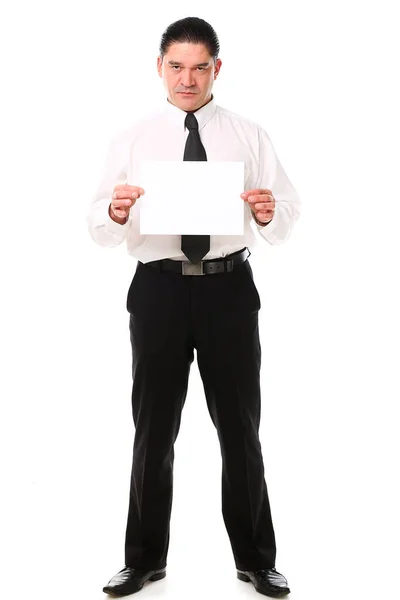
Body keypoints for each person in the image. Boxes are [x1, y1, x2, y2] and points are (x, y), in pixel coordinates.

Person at [86, 16, 300, 598]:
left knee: (241, 429)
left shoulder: (248, 134)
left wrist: (265, 214)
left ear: (216, 69)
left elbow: (286, 214)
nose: (187, 78)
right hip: (157, 290)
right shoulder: (131, 137)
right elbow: (97, 224)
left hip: (229, 290)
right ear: (160, 67)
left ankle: (256, 559)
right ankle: (143, 559)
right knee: (153, 430)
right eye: (176, 66)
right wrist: (115, 212)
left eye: (199, 67)